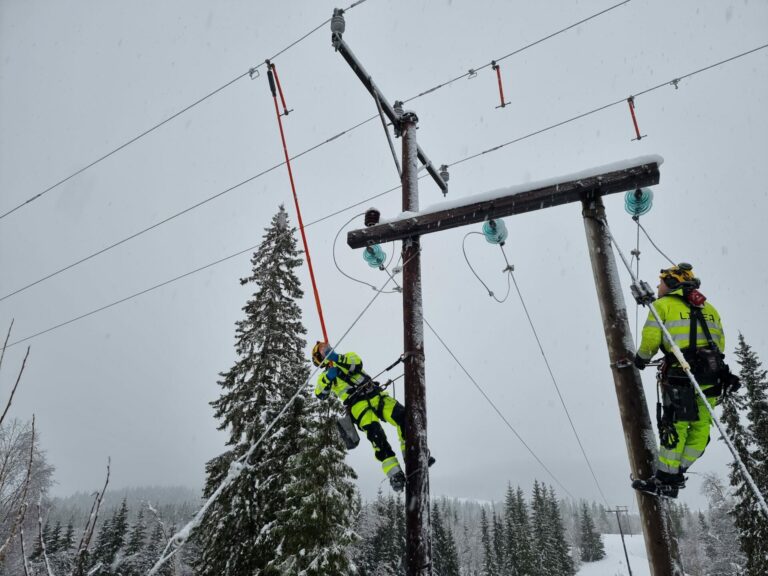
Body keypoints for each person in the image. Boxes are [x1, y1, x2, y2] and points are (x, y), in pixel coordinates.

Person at [632, 263, 728, 498]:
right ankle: (679, 471)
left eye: (661, 281)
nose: (657, 286)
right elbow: (720, 342)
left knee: (676, 426)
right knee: (701, 427)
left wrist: (641, 359)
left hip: (681, 376)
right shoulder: (709, 308)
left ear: (673, 283)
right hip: (712, 375)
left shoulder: (662, 306)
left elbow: (651, 340)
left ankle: (666, 479)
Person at [312, 341, 411, 492]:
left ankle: (411, 455)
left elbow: (357, 363)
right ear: (319, 357)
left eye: (327, 347)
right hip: (358, 405)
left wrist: (337, 359)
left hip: (376, 394)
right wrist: (328, 378)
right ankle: (395, 473)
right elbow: (321, 394)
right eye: (323, 350)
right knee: (376, 436)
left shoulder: (347, 357)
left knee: (403, 417)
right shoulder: (325, 376)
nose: (327, 349)